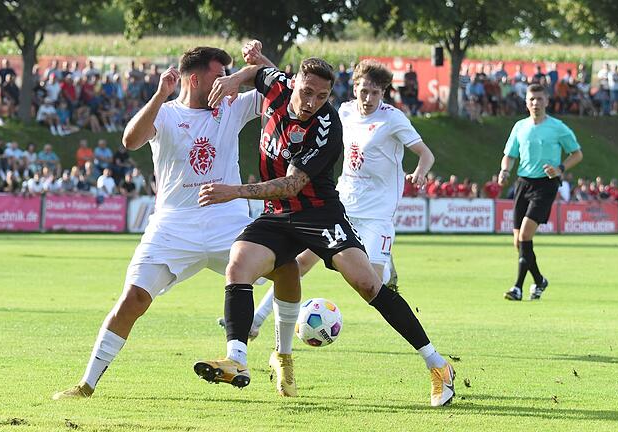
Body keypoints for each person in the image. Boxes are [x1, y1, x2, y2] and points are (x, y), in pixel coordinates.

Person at [194, 43, 454, 406]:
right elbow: (258, 72)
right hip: (277, 215)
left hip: (319, 213)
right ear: (293, 81)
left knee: (368, 284)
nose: (312, 101)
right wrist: (238, 77)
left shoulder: (327, 128)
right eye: (307, 91)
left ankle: (438, 365)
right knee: (239, 264)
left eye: (322, 96)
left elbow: (291, 185)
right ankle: (237, 359)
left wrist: (234, 191)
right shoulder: (278, 84)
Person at [52, 46, 289, 400]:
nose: (226, 81)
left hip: (228, 222)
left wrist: (259, 62)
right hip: (173, 227)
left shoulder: (232, 106)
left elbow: (283, 91)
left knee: (288, 270)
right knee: (132, 299)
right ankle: (86, 384)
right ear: (194, 79)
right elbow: (130, 140)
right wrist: (159, 94)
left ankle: (280, 358)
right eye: (217, 74)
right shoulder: (165, 114)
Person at [236, 59, 435, 352]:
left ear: (384, 93)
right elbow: (296, 86)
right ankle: (256, 320)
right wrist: (263, 65)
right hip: (341, 203)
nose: (368, 99)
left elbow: (425, 153)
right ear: (354, 88)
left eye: (375, 93)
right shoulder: (340, 112)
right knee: (297, 264)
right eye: (363, 91)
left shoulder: (393, 119)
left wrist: (420, 172)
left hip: (377, 212)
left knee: (373, 281)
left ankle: (387, 266)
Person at [498, 84, 583, 301]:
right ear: (526, 102)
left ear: (547, 101)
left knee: (526, 235)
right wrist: (505, 170)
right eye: (531, 99)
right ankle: (539, 280)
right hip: (523, 183)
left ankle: (517, 288)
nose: (535, 103)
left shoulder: (558, 127)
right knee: (518, 241)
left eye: (539, 99)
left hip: (546, 184)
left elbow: (577, 153)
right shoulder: (519, 127)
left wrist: (560, 168)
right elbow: (509, 154)